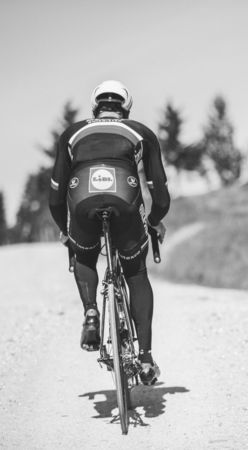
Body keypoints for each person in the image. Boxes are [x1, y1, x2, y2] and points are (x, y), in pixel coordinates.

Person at [49, 80, 170, 385]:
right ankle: (145, 358)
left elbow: (55, 196)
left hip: (82, 197)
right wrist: (154, 221)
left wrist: (65, 230)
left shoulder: (72, 133)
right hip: (124, 196)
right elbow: (160, 195)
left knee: (84, 258)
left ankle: (91, 312)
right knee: (136, 272)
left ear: (95, 107)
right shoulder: (141, 132)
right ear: (126, 107)